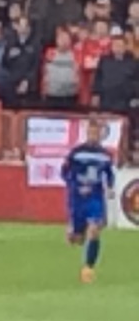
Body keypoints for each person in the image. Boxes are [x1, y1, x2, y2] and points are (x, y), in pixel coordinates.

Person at [65, 116, 116, 284]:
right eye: (91, 132)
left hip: (95, 197)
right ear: (87, 133)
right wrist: (76, 186)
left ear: (101, 134)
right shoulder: (77, 152)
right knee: (76, 238)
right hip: (78, 198)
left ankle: (88, 268)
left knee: (94, 230)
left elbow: (109, 174)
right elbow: (66, 172)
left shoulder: (105, 155)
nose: (94, 135)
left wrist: (109, 187)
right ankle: (75, 233)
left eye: (97, 132)